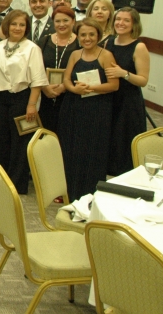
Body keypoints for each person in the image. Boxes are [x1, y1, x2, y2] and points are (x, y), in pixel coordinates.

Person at [0, 10, 48, 194]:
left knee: (20, 143)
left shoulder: (32, 49)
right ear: (7, 26)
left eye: (22, 25)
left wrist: (32, 105)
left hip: (22, 98)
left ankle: (17, 184)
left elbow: (38, 80)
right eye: (14, 24)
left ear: (26, 28)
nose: (17, 28)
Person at [58, 18, 119, 200]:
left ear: (98, 36)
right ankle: (69, 191)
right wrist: (74, 89)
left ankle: (90, 194)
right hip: (73, 107)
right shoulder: (75, 54)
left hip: (97, 110)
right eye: (83, 35)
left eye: (91, 34)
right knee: (71, 149)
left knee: (92, 150)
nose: (87, 38)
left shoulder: (106, 55)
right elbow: (66, 79)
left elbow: (114, 85)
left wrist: (91, 88)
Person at [105, 7, 150, 176]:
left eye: (126, 20)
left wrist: (123, 73)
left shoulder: (139, 47)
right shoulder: (109, 42)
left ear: (134, 24)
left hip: (128, 103)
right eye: (118, 19)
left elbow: (143, 80)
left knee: (124, 145)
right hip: (110, 99)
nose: (120, 23)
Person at [36, 6, 79, 133]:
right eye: (57, 21)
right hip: (44, 97)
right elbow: (35, 68)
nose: (61, 24)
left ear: (73, 21)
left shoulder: (80, 43)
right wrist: (44, 87)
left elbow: (82, 69)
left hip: (70, 98)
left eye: (65, 20)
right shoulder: (44, 41)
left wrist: (64, 86)